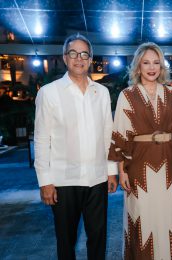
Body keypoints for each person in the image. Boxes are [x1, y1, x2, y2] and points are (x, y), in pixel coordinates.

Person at [34, 33, 118, 260]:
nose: (78, 58)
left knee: (98, 237)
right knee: (65, 241)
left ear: (90, 59)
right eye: (73, 53)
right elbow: (41, 139)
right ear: (65, 57)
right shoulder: (48, 92)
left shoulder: (101, 93)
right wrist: (45, 181)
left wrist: (111, 171)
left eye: (84, 54)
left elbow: (107, 134)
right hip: (63, 181)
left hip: (97, 178)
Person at [108, 42, 172, 260]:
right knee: (142, 216)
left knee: (170, 217)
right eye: (146, 62)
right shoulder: (127, 94)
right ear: (137, 67)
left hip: (170, 165)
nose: (151, 67)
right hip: (138, 166)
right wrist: (121, 171)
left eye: (156, 62)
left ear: (162, 67)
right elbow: (120, 136)